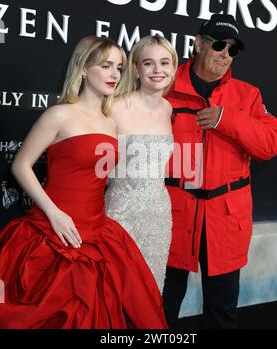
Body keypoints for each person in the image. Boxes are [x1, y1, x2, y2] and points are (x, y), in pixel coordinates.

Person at [0, 35, 168, 329]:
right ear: (82, 69)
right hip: (53, 230)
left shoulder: (111, 120)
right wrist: (54, 213)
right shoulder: (59, 115)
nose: (115, 74)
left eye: (119, 67)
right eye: (106, 66)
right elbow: (21, 165)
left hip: (98, 230)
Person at [162, 14, 277, 328]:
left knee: (223, 311)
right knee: (160, 308)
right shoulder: (164, 84)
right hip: (173, 216)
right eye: (218, 44)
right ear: (198, 43)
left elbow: (271, 143)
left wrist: (224, 119)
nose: (225, 54)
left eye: (232, 50)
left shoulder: (248, 95)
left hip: (225, 220)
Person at [105, 35, 178, 294]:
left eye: (165, 63)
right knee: (114, 293)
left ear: (173, 68)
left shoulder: (168, 109)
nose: (158, 70)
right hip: (119, 216)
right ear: (136, 69)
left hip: (158, 216)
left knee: (150, 293)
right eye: (148, 63)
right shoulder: (113, 107)